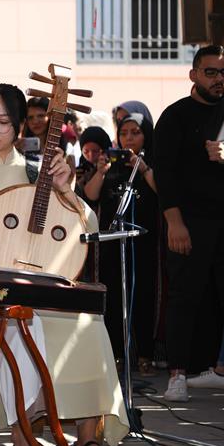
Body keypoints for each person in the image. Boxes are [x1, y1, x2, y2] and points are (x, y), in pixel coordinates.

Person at [0, 83, 127, 446]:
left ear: (21, 126)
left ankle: (88, 438)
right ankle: (24, 436)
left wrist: (66, 190)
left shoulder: (38, 171)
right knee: (20, 326)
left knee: (89, 325)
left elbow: (86, 226)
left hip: (40, 284)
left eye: (3, 123)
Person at [153, 44, 224, 402]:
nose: (219, 79)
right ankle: (177, 374)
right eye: (211, 72)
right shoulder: (175, 116)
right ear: (194, 74)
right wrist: (175, 222)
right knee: (184, 298)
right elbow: (165, 175)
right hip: (189, 222)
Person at [79, 114, 160, 375]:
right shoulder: (109, 165)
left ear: (145, 135)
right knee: (112, 298)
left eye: (135, 132)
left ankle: (145, 354)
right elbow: (90, 195)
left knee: (144, 296)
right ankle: (115, 354)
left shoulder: (150, 164)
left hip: (143, 244)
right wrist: (102, 170)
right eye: (124, 133)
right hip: (112, 245)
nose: (129, 138)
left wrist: (143, 166)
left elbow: (163, 190)